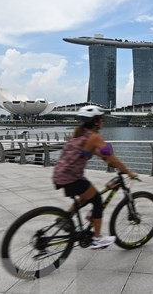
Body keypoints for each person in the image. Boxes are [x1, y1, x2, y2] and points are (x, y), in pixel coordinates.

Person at [53, 105, 138, 249]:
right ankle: (96, 238)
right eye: (102, 119)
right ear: (96, 122)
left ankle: (64, 219)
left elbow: (101, 155)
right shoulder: (94, 137)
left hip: (60, 175)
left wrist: (108, 161)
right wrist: (128, 172)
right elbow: (111, 156)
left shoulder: (80, 135)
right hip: (72, 178)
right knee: (97, 199)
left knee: (86, 196)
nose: (103, 121)